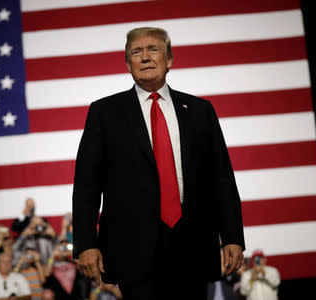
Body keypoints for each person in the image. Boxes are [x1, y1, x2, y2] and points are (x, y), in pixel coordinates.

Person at [72, 27, 245, 300]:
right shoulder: (104, 113)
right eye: (136, 52)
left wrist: (233, 236)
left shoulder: (200, 111)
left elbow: (221, 178)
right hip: (132, 246)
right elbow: (87, 185)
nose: (145, 57)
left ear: (170, 59)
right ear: (128, 64)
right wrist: (85, 244)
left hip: (192, 243)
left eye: (153, 49)